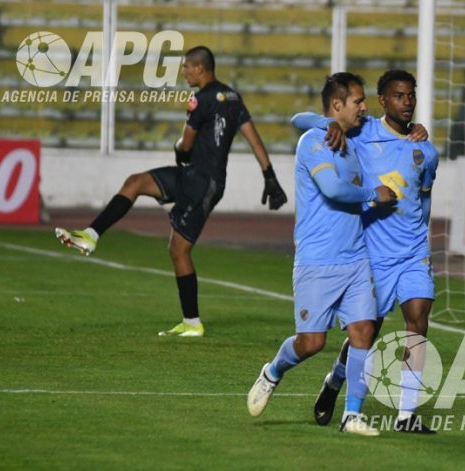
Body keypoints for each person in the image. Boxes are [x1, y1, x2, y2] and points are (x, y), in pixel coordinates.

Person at [55, 46, 287, 337]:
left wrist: (179, 149)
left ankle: (193, 323)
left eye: (187, 66)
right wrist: (269, 175)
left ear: (200, 68)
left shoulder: (199, 99)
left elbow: (185, 144)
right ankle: (91, 235)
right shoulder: (233, 97)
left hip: (202, 183)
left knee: (178, 249)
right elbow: (253, 136)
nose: (184, 71)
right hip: (196, 177)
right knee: (135, 183)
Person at [247, 73, 397, 437]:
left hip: (356, 257)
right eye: (358, 101)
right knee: (312, 342)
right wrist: (373, 194)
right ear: (337, 105)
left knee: (363, 332)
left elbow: (391, 126)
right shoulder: (313, 141)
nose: (364, 108)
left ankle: (352, 415)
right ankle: (273, 372)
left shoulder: (353, 136)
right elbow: (331, 188)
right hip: (317, 260)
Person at [292, 69, 438, 434]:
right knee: (365, 334)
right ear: (382, 100)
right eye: (399, 96)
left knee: (418, 320)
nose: (407, 102)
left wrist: (421, 234)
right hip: (374, 252)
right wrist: (329, 123)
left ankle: (406, 414)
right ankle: (335, 380)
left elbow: (424, 197)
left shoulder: (426, 150)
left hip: (413, 251)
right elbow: (300, 120)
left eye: (411, 95)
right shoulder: (362, 131)